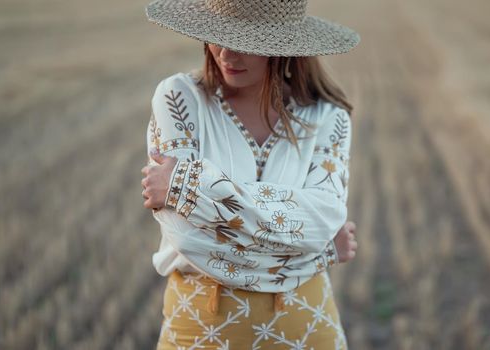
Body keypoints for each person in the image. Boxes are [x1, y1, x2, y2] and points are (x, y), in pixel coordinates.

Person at [140, 0, 360, 348]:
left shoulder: (327, 118)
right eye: (217, 36)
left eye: (246, 40)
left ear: (283, 45)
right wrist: (317, 252)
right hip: (200, 328)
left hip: (305, 327)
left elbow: (325, 216)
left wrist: (190, 188)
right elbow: (188, 238)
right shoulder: (179, 99)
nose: (226, 53)